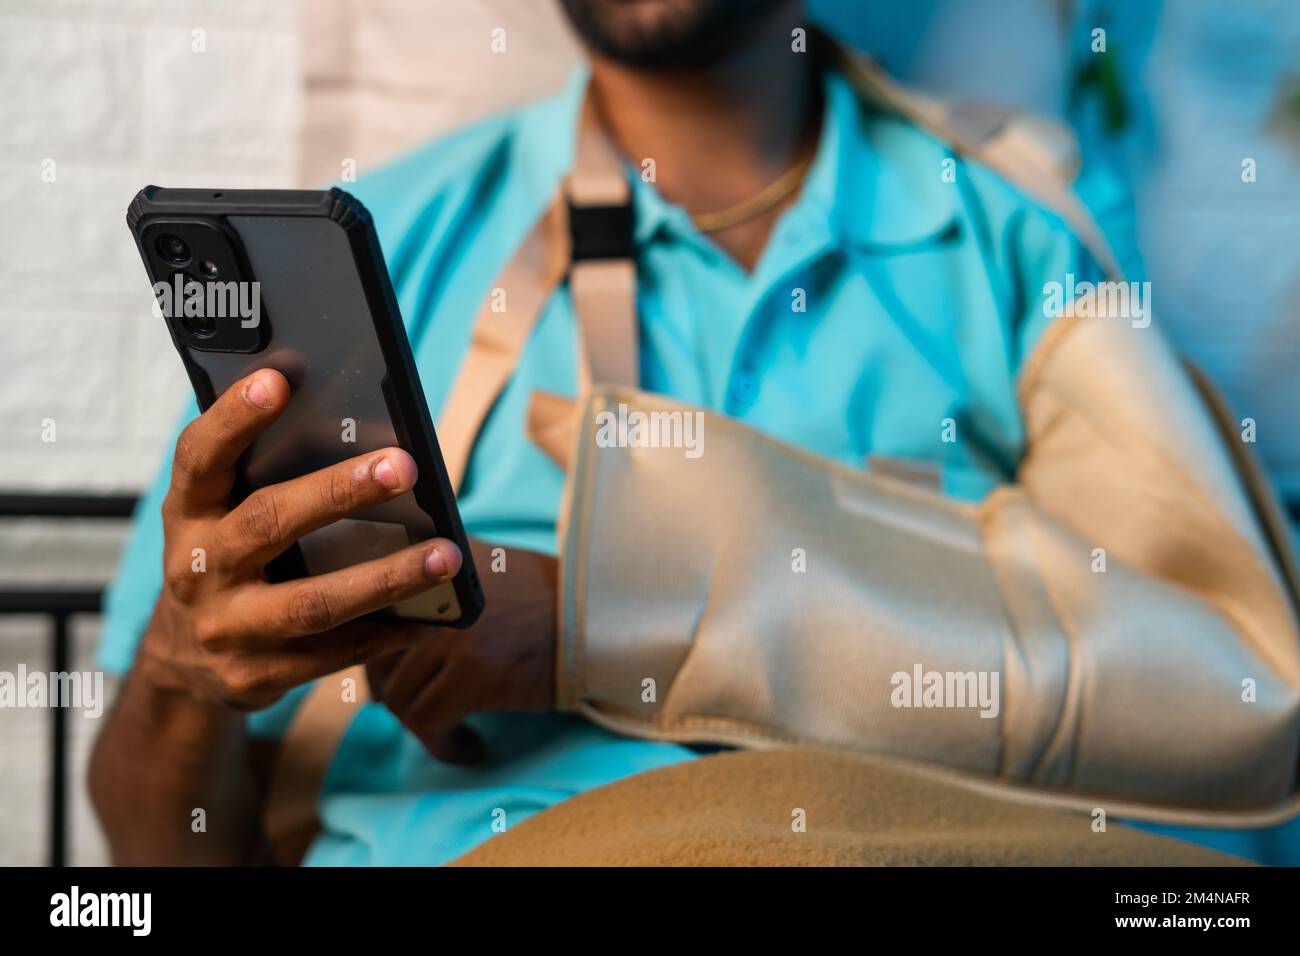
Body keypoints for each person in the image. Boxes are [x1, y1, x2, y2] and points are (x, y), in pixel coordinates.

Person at [90, 0, 1300, 865]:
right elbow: (156, 848)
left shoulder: (1017, 229)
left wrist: (604, 623)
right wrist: (181, 679)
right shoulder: (388, 243)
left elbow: (1233, 693)